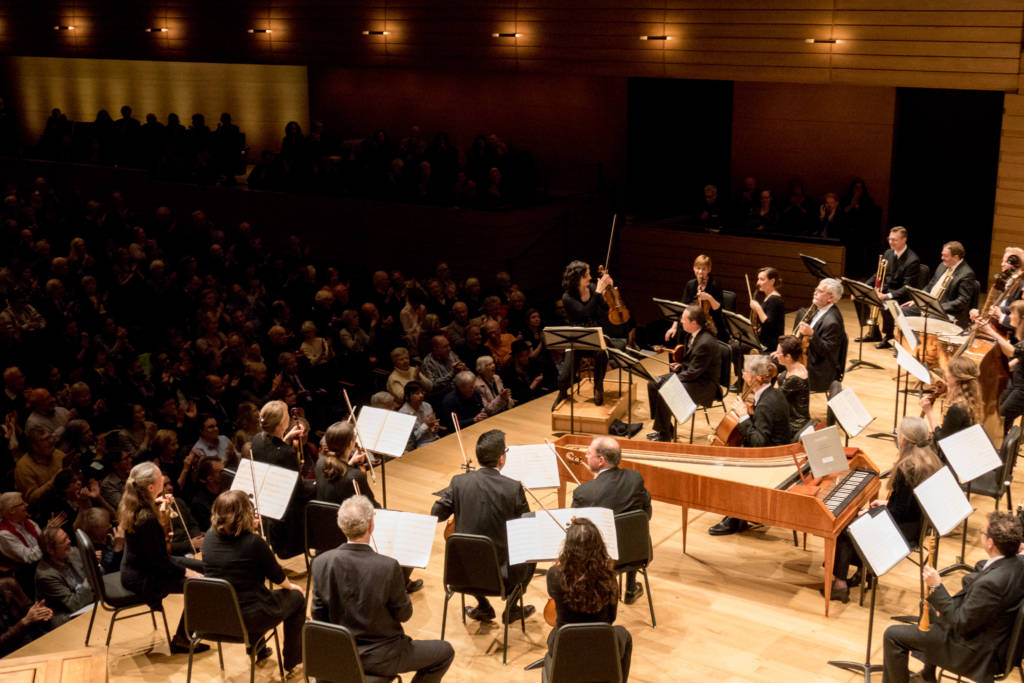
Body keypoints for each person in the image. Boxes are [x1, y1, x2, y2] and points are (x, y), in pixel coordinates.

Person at [312, 495, 454, 683]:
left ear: (341, 526)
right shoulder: (387, 567)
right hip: (382, 655)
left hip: (341, 653)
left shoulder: (321, 563)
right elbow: (404, 614)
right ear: (371, 525)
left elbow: (317, 614)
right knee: (445, 652)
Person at [882, 510, 1024, 683]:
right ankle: (927, 675)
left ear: (990, 544)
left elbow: (960, 622)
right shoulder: (1018, 563)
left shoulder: (991, 584)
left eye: (982, 532)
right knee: (928, 607)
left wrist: (936, 585)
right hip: (996, 636)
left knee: (893, 635)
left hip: (975, 652)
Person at [827, 417, 941, 602]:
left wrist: (872, 514)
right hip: (917, 525)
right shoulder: (930, 459)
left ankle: (840, 585)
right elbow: (909, 504)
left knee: (845, 527)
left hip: (902, 530)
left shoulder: (908, 467)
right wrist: (886, 505)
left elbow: (899, 512)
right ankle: (864, 574)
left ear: (903, 440)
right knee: (857, 519)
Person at [431, 429, 535, 623]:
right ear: (501, 459)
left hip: (461, 574)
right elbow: (527, 525)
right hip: (500, 577)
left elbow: (435, 515)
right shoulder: (512, 488)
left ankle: (484, 606)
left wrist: (453, 492)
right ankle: (511, 608)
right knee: (531, 555)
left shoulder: (458, 482)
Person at [202, 490, 305, 676]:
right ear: (245, 515)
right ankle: (292, 660)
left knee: (249, 594)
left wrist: (250, 532)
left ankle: (258, 650)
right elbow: (278, 577)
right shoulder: (254, 543)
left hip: (217, 617)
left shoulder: (209, 538)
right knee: (296, 598)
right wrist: (293, 587)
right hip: (250, 619)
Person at [118, 461, 208, 654]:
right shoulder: (146, 519)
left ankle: (191, 629)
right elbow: (159, 562)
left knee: (205, 568)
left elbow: (157, 555)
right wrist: (186, 572)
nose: (164, 480)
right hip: (144, 576)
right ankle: (183, 638)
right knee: (201, 584)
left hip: (142, 566)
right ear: (151, 487)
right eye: (161, 478)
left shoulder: (133, 504)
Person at [707, 353, 791, 536]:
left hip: (773, 460)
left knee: (729, 465)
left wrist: (744, 416)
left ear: (755, 378)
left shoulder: (766, 403)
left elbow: (760, 443)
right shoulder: (773, 393)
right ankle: (740, 514)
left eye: (745, 372)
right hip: (777, 451)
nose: (743, 375)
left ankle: (736, 518)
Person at [545, 517, 632, 681]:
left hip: (566, 643)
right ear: (598, 547)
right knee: (624, 635)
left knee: (552, 636)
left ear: (568, 547)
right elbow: (611, 619)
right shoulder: (609, 576)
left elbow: (553, 599)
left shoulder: (554, 575)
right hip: (600, 644)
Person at [570, 436, 651, 605]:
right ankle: (630, 588)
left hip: (601, 559)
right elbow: (647, 513)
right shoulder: (635, 479)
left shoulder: (583, 492)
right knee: (629, 528)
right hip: (637, 552)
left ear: (601, 460)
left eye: (589, 452)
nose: (585, 454)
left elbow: (575, 530)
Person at [646, 305, 721, 442]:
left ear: (693, 323)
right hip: (694, 376)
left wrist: (671, 380)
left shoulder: (705, 342)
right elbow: (694, 364)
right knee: (653, 383)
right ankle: (666, 428)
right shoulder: (693, 335)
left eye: (683, 319)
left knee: (667, 389)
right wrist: (681, 365)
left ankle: (665, 436)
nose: (681, 321)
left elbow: (694, 373)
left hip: (704, 385)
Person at [249, 400, 312, 559]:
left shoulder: (257, 440)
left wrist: (288, 438)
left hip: (267, 498)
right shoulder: (286, 453)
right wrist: (316, 483)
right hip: (286, 509)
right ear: (283, 423)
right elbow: (299, 491)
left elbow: (272, 453)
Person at [556, 260, 615, 408]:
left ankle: (598, 387)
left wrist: (608, 289)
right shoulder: (567, 297)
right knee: (564, 376)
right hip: (576, 339)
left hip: (594, 334)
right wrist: (597, 293)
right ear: (578, 278)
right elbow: (584, 313)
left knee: (602, 353)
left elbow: (603, 307)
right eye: (587, 275)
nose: (590, 277)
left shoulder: (593, 288)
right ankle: (562, 392)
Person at [856, 226, 921, 348]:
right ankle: (873, 330)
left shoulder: (912, 260)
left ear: (904, 240)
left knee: (886, 303)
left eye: (894, 240)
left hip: (900, 294)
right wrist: (863, 287)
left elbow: (907, 287)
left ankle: (889, 335)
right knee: (859, 296)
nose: (891, 242)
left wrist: (887, 295)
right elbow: (878, 274)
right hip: (885, 289)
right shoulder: (888, 253)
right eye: (889, 239)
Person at [920, 356, 983, 461]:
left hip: (952, 457)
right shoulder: (971, 397)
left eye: (948, 372)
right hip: (962, 448)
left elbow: (942, 441)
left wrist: (929, 411)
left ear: (957, 377)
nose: (945, 375)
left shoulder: (957, 408)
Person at [903, 240, 978, 328]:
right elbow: (930, 286)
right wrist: (918, 300)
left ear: (956, 257)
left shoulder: (966, 274)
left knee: (929, 320)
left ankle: (924, 341)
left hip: (947, 312)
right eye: (942, 254)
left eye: (945, 256)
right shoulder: (943, 265)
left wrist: (937, 307)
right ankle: (911, 341)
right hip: (930, 307)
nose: (942, 258)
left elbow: (962, 301)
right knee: (904, 311)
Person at [731, 266, 785, 387]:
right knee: (734, 345)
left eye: (762, 279)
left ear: (772, 281)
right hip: (762, 339)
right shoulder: (767, 297)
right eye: (758, 279)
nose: (758, 283)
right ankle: (742, 378)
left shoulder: (776, 301)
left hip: (769, 344)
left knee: (737, 348)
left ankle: (743, 380)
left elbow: (769, 325)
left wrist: (758, 308)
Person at [34, 527, 93, 627]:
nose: (69, 541)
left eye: (67, 537)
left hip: (88, 602)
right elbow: (74, 605)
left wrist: (95, 566)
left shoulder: (73, 552)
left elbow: (98, 577)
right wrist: (90, 580)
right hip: (67, 616)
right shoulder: (45, 575)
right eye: (63, 541)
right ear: (50, 550)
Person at [796, 278, 846, 392]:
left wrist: (812, 334)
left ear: (831, 298)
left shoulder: (833, 321)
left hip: (820, 370)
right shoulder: (818, 308)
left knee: (783, 373)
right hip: (810, 357)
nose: (815, 292)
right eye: (816, 289)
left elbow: (826, 351)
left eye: (820, 291)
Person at [982, 300, 1024, 434]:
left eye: (1012, 313)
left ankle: (1002, 450)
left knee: (999, 420)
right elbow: (1018, 359)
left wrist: (989, 331)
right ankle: (1002, 448)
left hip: (1022, 390)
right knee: (996, 411)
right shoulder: (1021, 337)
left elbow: (1013, 351)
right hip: (1016, 384)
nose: (1010, 316)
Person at [772, 335, 811, 439]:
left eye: (778, 353)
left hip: (795, 424)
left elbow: (775, 400)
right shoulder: (795, 366)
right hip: (789, 416)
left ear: (788, 357)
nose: (776, 355)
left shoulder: (795, 378)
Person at [398, 381, 440, 450]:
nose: (421, 395)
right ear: (408, 397)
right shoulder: (403, 414)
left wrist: (435, 427)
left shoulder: (426, 405)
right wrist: (426, 425)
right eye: (417, 393)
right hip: (421, 445)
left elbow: (435, 426)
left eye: (422, 392)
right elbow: (410, 441)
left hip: (435, 439)